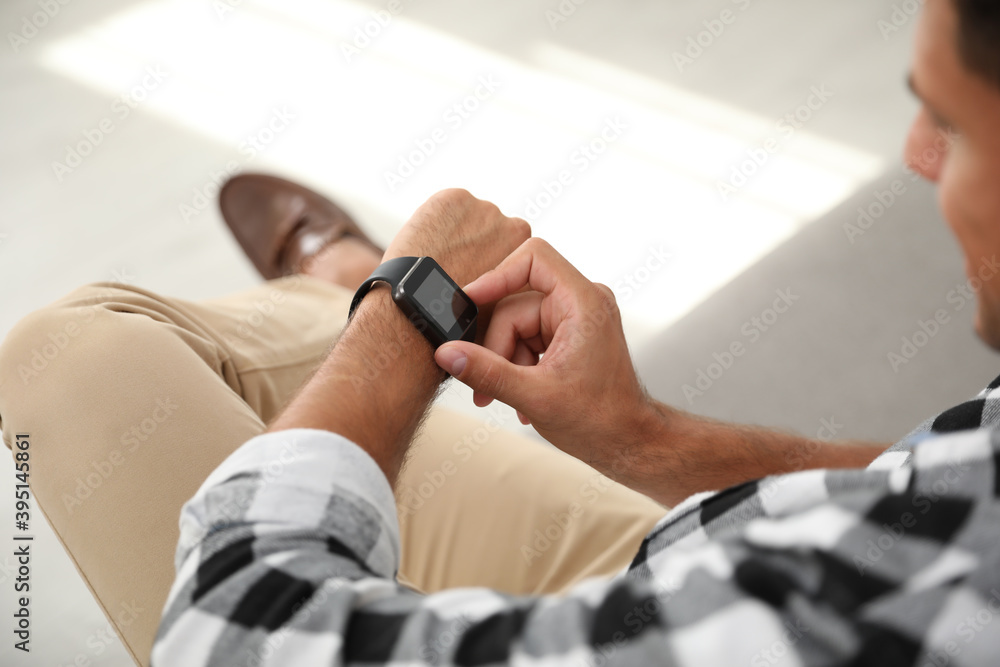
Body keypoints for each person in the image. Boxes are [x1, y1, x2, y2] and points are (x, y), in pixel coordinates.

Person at [4, 0, 1000, 664]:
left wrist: (403, 310)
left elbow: (236, 632)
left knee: (73, 352)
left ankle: (351, 287)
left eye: (947, 126)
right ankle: (344, 292)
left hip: (678, 619)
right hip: (716, 553)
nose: (914, 158)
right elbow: (931, 479)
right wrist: (640, 436)